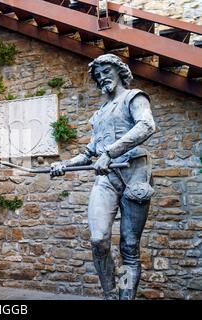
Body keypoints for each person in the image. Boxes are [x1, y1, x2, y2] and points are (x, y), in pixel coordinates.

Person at [50, 54, 156, 300]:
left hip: (135, 174)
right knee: (98, 240)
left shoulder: (134, 97)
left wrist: (110, 152)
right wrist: (64, 164)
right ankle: (110, 295)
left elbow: (147, 125)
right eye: (98, 75)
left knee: (130, 247)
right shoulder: (99, 114)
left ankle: (125, 297)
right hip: (106, 179)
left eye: (106, 71)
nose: (102, 77)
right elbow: (89, 152)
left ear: (120, 71)